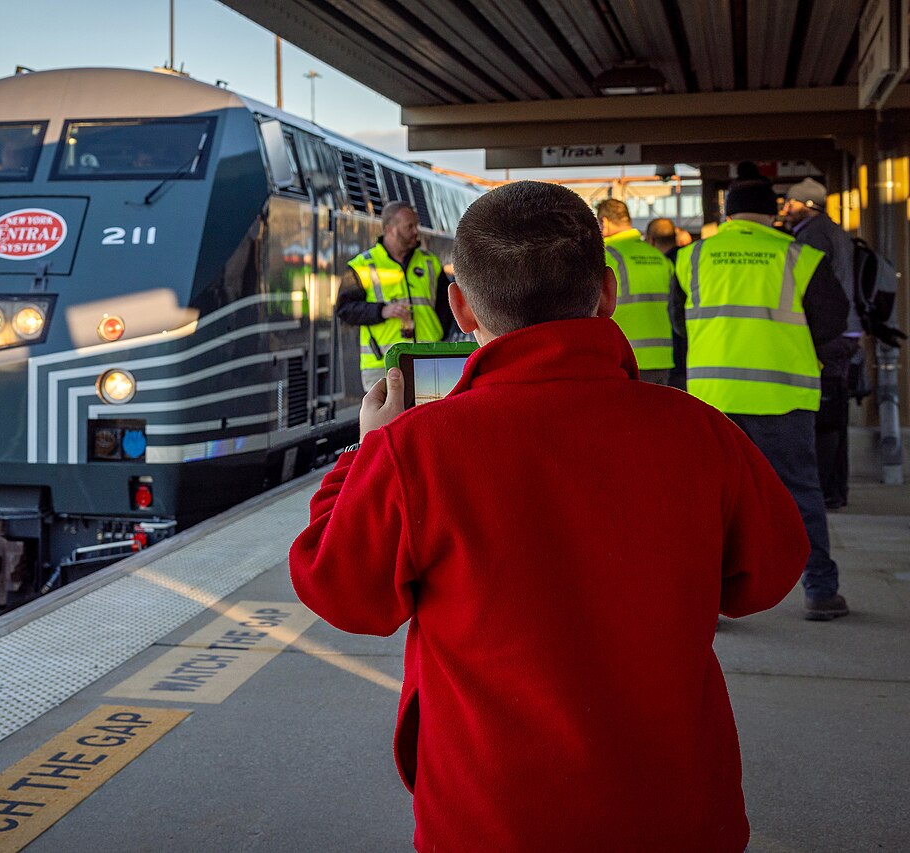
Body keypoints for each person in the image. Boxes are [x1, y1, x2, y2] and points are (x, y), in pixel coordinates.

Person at [290, 181, 808, 852]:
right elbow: (765, 577)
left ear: (461, 307)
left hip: (491, 822)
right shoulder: (702, 433)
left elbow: (342, 589)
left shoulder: (412, 450)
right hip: (680, 816)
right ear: (607, 292)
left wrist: (364, 451)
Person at [672, 176, 851, 620]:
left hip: (714, 397)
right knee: (801, 493)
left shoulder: (690, 256)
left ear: (727, 214)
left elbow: (678, 324)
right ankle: (821, 591)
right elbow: (832, 323)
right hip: (783, 397)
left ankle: (709, 600)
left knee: (710, 502)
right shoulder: (801, 257)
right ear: (772, 212)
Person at [782, 177, 862, 508]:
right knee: (835, 417)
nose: (786, 209)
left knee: (826, 421)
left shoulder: (813, 237)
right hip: (845, 333)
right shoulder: (834, 231)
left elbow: (819, 296)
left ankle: (828, 489)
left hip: (831, 337)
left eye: (791, 203)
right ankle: (836, 490)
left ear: (807, 205)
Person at [339, 201, 452, 390]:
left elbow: (446, 306)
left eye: (416, 225)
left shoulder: (429, 262)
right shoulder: (362, 265)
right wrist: (382, 311)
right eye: (410, 226)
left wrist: (439, 337)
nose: (416, 231)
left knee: (427, 418)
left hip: (428, 361)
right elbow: (345, 310)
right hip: (382, 365)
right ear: (390, 229)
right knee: (389, 419)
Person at [597, 199, 675, 383]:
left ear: (605, 222)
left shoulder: (605, 256)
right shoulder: (659, 257)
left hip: (625, 359)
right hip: (663, 358)